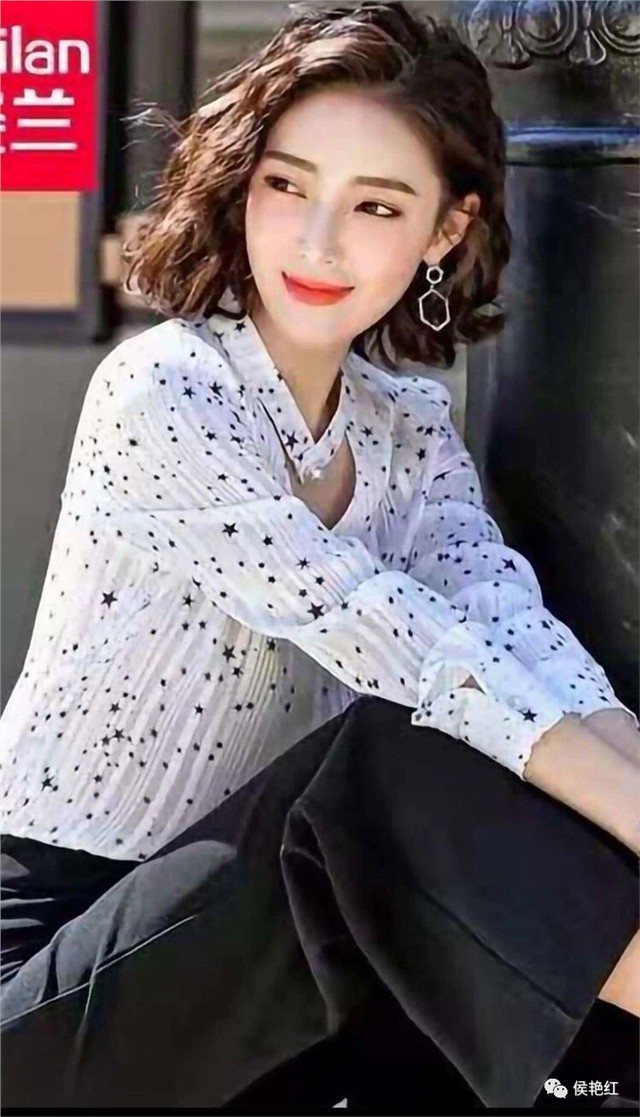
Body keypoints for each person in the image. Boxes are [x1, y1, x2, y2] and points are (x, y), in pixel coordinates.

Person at [1, 2, 638, 1109]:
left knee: (486, 769)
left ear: (444, 230)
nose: (317, 241)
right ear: (241, 186)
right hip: (56, 982)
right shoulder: (163, 391)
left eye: (376, 204)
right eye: (288, 186)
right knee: (401, 752)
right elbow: (411, 648)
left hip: (262, 962)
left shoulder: (406, 428)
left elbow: (513, 635)